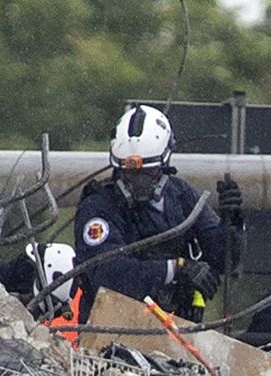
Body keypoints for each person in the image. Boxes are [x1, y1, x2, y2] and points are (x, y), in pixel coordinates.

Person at [72, 105, 243, 322]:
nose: (137, 182)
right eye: (129, 174)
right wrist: (174, 269)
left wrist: (232, 223)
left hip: (179, 331)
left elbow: (223, 260)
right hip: (112, 330)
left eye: (147, 172)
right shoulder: (98, 207)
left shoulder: (181, 196)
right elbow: (107, 274)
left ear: (164, 163)